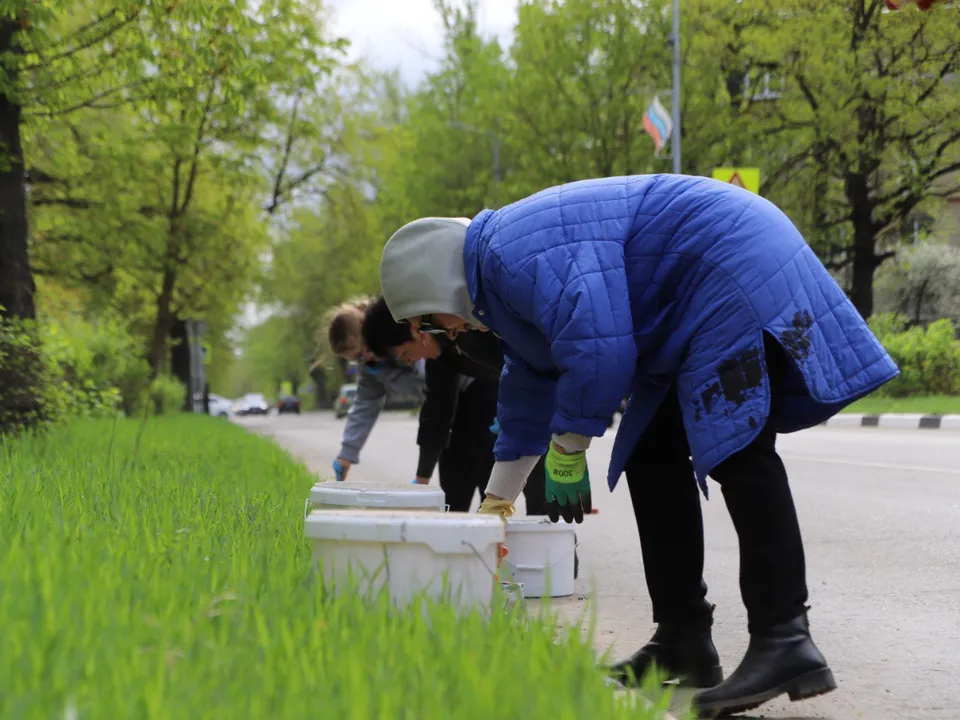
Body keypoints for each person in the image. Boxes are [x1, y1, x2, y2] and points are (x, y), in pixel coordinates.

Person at [374, 175, 900, 718]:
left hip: (725, 262)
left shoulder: (515, 257)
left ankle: (784, 636)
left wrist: (569, 448)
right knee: (650, 451)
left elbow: (599, 350)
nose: (448, 333)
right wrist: (497, 503)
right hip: (693, 288)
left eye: (432, 321)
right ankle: (683, 638)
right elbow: (529, 388)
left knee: (737, 446)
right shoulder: (501, 285)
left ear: (440, 285)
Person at [362, 294, 549, 515]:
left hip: (537, 393)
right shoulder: (441, 356)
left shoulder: (468, 331)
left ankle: (554, 531)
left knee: (541, 489)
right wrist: (422, 477)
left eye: (404, 353)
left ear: (415, 330)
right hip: (521, 400)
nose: (409, 361)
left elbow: (529, 365)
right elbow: (437, 411)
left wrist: (518, 407)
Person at [323, 297, 426, 482]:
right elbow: (365, 406)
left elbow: (434, 378)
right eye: (356, 359)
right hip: (444, 405)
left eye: (361, 352)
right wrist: (346, 453)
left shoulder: (401, 336)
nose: (365, 359)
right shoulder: (371, 367)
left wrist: (423, 475)